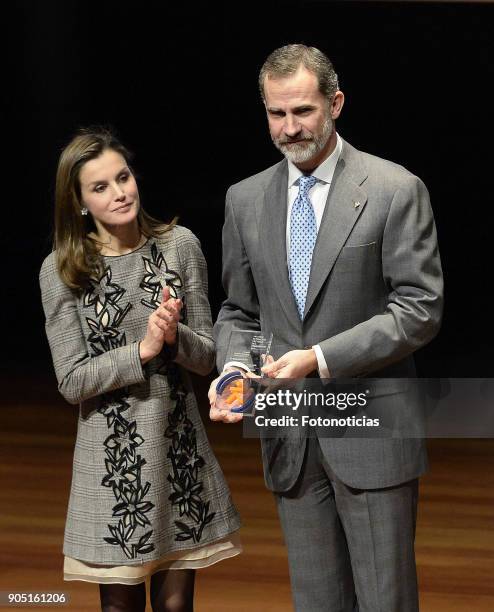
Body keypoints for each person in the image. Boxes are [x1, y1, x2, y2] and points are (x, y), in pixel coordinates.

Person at [209, 45, 443, 611]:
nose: (290, 128)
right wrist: (235, 370)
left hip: (371, 429)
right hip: (291, 437)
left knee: (385, 600)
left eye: (304, 111)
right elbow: (239, 311)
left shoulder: (394, 189)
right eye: (276, 114)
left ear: (335, 104)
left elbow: (419, 307)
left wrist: (318, 357)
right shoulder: (244, 200)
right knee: (316, 602)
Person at [39, 127, 241, 612]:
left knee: (176, 607)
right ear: (80, 202)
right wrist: (143, 350)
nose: (120, 192)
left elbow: (208, 355)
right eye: (101, 186)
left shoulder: (179, 246)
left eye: (123, 177)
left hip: (178, 452)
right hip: (113, 467)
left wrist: (173, 340)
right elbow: (71, 381)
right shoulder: (62, 270)